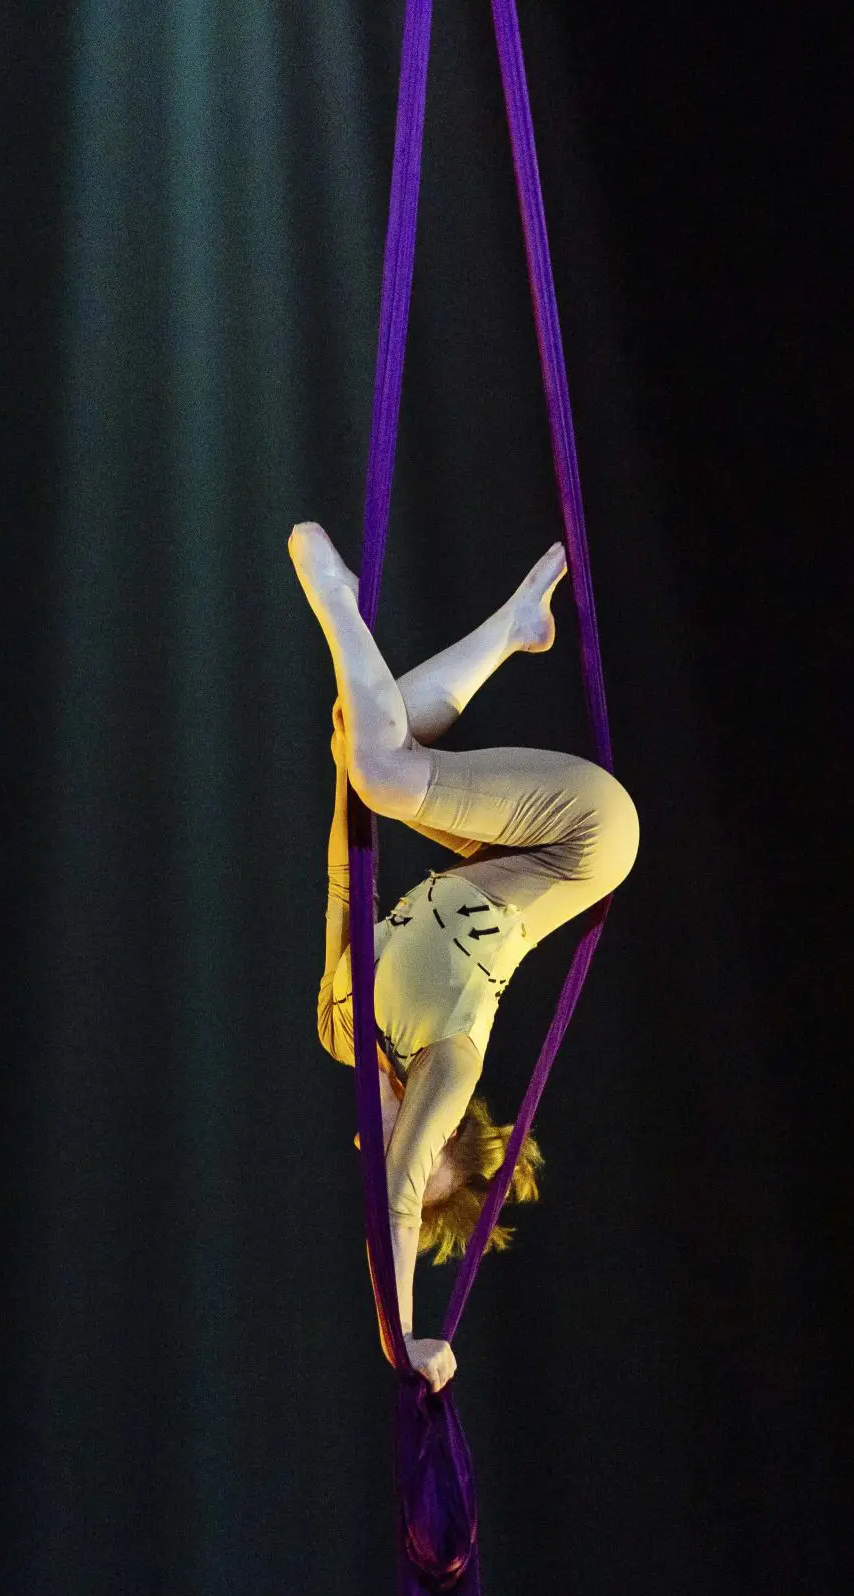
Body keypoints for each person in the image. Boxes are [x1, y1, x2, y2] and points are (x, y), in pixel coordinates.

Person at [294, 520, 638, 1394]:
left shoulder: (341, 1028)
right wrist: (397, 1338)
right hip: (588, 837)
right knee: (378, 754)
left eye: (385, 1144)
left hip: (505, 849)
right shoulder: (451, 1050)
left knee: (367, 735)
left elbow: (347, 882)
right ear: (428, 1112)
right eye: (420, 1135)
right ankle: (336, 603)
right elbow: (402, 1196)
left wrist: (351, 766)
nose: (392, 1139)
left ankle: (515, 626)